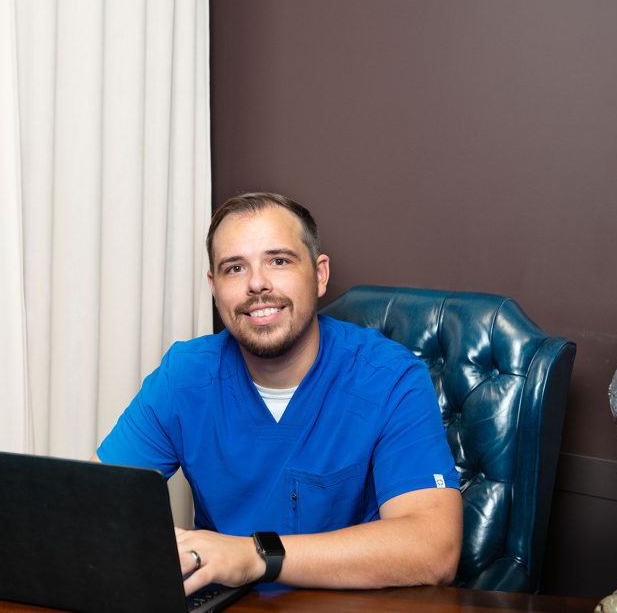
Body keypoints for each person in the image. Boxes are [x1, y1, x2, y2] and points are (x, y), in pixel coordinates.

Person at [93, 192, 462, 596]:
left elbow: (434, 550)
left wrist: (255, 556)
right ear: (215, 288)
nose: (256, 284)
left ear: (319, 275)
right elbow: (93, 504)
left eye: (279, 261)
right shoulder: (184, 376)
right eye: (235, 268)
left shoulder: (389, 377)